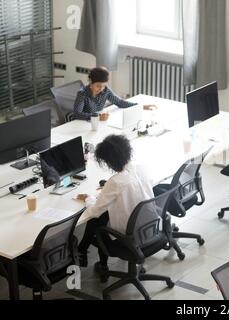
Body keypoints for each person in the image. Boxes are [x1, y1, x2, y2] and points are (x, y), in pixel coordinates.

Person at [76, 135, 154, 280]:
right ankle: (83, 250)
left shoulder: (116, 182)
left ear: (110, 162)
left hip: (129, 236)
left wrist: (88, 197)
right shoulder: (141, 169)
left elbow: (94, 210)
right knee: (103, 215)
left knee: (97, 220)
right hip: (150, 227)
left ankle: (97, 262)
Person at [72, 67, 156, 121]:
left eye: (104, 86)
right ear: (90, 82)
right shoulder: (82, 94)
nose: (101, 89)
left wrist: (139, 106)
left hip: (97, 123)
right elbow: (77, 113)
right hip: (82, 123)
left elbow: (119, 102)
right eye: (98, 86)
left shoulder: (105, 91)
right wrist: (96, 117)